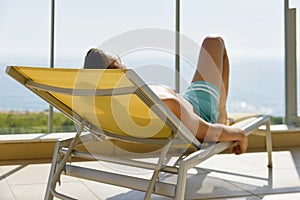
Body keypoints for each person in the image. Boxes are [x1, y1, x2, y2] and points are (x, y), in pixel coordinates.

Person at [83, 36, 247, 155]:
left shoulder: (107, 109)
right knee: (214, 42)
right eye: (120, 64)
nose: (126, 66)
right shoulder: (163, 102)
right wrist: (239, 134)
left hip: (186, 103)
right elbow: (207, 132)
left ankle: (222, 112)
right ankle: (222, 113)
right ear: (119, 73)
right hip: (202, 107)